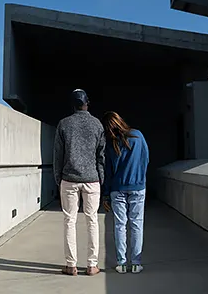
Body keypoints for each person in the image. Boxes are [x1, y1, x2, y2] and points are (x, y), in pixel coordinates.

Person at [53, 89, 105, 277]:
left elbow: (58, 156)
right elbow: (101, 156)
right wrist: (100, 177)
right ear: (87, 103)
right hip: (92, 179)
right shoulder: (97, 124)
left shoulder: (64, 124)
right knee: (92, 220)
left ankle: (71, 265)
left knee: (69, 220)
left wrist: (58, 178)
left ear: (72, 104)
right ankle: (92, 265)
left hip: (69, 179)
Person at [101, 111, 149, 274]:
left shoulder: (111, 144)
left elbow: (108, 171)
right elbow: (146, 159)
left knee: (120, 225)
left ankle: (121, 263)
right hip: (137, 187)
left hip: (117, 188)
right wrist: (140, 178)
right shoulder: (137, 136)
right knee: (137, 224)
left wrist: (105, 194)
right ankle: (136, 263)